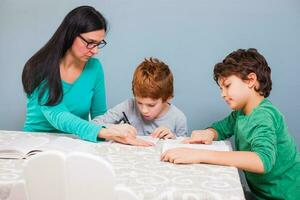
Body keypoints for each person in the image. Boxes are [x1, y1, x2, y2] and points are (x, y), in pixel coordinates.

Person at [161, 48, 300, 199]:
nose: (223, 94)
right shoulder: (242, 113)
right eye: (221, 89)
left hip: (287, 195)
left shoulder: (263, 115)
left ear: (251, 80)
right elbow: (222, 128)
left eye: (227, 86)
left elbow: (262, 161)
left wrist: (199, 155)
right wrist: (209, 133)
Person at [22, 6, 146, 146]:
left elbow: (100, 116)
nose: (95, 51)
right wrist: (108, 132)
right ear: (70, 34)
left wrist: (115, 132)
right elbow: (58, 115)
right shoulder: (39, 67)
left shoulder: (94, 67)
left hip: (77, 142)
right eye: (90, 43)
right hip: (37, 143)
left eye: (99, 44)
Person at [93, 57, 188, 139]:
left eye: (151, 105)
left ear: (167, 98)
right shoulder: (128, 106)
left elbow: (183, 150)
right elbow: (93, 125)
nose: (144, 110)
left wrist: (173, 139)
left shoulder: (178, 119)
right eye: (139, 102)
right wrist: (112, 128)